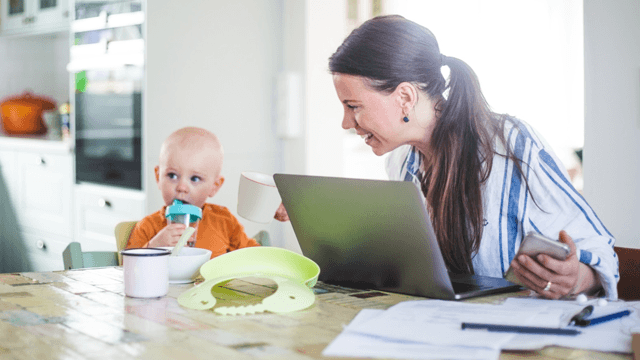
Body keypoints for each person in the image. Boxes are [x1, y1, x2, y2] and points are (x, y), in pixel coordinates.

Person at [328, 15, 618, 299]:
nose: (346, 122)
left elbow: (602, 252)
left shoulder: (510, 144)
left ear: (405, 97)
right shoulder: (401, 160)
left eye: (353, 106)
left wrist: (577, 277)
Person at [126, 127, 261, 258]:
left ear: (215, 186)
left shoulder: (224, 222)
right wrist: (153, 247)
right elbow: (127, 269)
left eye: (195, 179)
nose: (182, 187)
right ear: (158, 177)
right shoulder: (147, 227)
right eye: (172, 175)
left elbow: (255, 257)